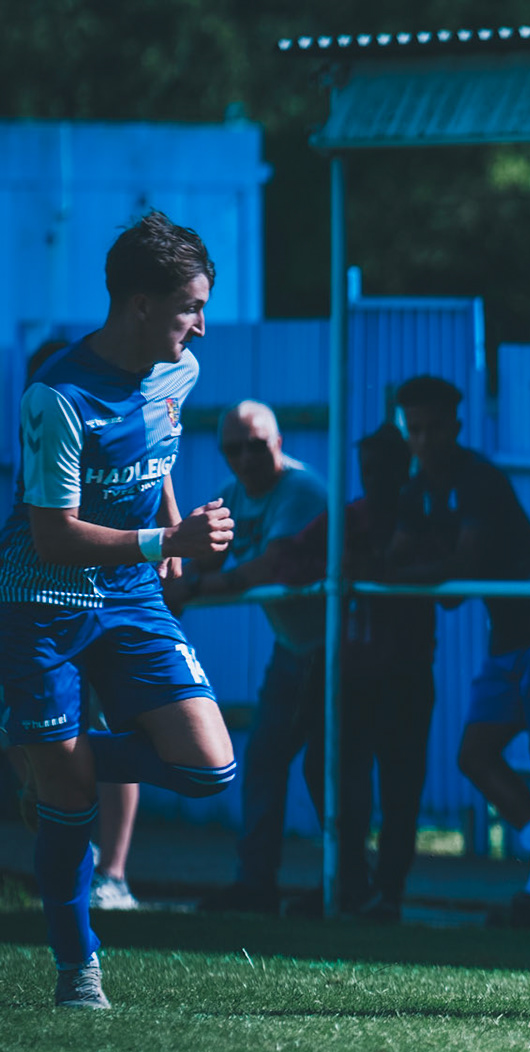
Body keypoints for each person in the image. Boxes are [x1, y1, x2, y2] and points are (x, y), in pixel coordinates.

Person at [0, 210, 238, 1009]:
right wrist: (166, 537)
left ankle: (48, 759)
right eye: (190, 308)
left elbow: (157, 445)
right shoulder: (56, 396)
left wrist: (170, 532)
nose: (201, 327)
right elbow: (54, 537)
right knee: (71, 808)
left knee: (210, 767)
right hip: (41, 600)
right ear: (141, 304)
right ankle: (78, 969)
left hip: (130, 592)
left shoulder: (180, 372)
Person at [386, 375, 530, 929]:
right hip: (507, 635)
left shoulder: (479, 479)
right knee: (474, 754)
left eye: (435, 428)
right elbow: (410, 567)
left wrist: (407, 572)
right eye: (414, 430)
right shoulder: (414, 492)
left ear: (456, 427)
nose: (425, 441)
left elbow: (461, 568)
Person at [5, 338, 146, 912]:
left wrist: (163, 533)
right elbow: (43, 531)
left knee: (105, 731)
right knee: (26, 725)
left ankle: (114, 872)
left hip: (111, 595)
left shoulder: (114, 409)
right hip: (40, 601)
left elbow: (152, 466)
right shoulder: (46, 414)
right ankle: (55, 791)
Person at [172, 401, 329, 914]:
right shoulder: (235, 494)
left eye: (256, 446)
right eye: (233, 449)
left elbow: (271, 567)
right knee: (269, 761)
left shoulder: (300, 491)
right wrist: (178, 560)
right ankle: (261, 885)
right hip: (295, 648)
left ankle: (345, 883)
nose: (245, 458)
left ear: (279, 443)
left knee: (323, 769)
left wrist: (193, 589)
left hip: (336, 651)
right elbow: (206, 561)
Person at [279, 424, 438, 920]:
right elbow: (290, 557)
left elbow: (444, 575)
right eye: (368, 469)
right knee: (324, 767)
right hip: (350, 672)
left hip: (405, 674)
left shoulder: (422, 519)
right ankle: (348, 878)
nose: (376, 479)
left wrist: (380, 571)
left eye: (386, 469)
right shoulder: (348, 519)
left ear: (405, 470)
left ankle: (386, 892)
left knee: (399, 786)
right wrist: (329, 569)